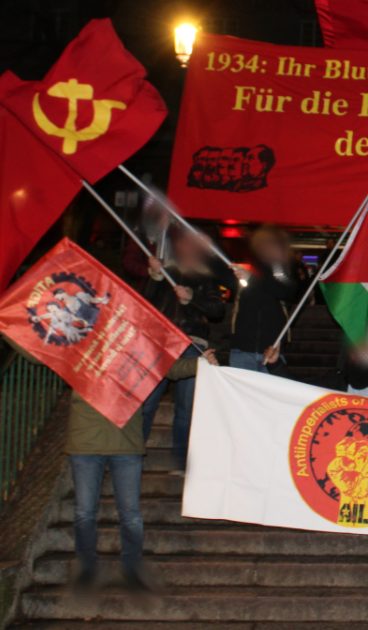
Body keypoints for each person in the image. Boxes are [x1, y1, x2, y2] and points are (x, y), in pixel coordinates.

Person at [67, 348, 219, 591]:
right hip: (86, 441)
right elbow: (41, 349)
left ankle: (131, 565)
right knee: (85, 511)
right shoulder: (80, 343)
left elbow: (167, 367)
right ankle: (87, 566)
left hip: (125, 441)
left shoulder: (134, 347)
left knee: (130, 513)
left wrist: (199, 363)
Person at [142, 228, 226, 474]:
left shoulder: (207, 278)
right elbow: (145, 302)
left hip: (192, 344)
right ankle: (132, 453)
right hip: (161, 342)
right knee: (147, 403)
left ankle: (181, 462)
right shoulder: (166, 272)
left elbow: (217, 310)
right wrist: (155, 276)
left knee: (186, 408)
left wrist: (192, 298)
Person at [215, 226, 297, 372]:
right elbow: (220, 272)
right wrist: (210, 247)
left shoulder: (282, 270)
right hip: (242, 350)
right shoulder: (248, 268)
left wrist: (252, 279)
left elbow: (285, 291)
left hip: (272, 351)